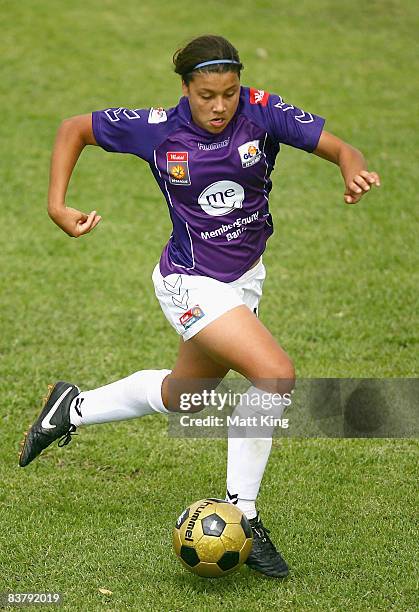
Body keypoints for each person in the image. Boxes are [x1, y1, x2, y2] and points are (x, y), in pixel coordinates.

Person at [19, 35, 380, 578]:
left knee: (183, 397)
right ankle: (244, 515)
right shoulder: (158, 128)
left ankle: (70, 408)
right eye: (207, 95)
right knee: (275, 375)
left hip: (243, 282)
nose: (219, 106)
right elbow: (74, 128)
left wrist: (351, 167)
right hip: (189, 282)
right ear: (186, 89)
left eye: (229, 94)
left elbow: (338, 146)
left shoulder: (261, 113)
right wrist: (55, 204)